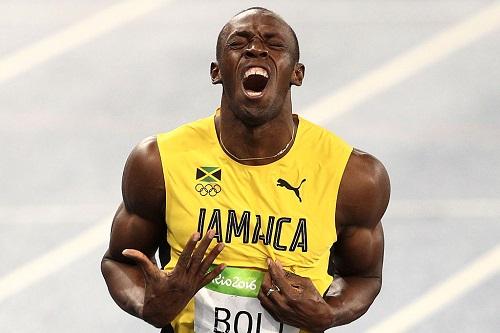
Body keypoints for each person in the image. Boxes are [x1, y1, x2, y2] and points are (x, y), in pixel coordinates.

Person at [101, 7, 390, 333]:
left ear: (297, 73)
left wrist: (329, 313)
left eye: (274, 44)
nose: (255, 48)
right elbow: (119, 261)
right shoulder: (158, 161)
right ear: (216, 71)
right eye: (238, 43)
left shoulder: (352, 176)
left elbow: (363, 276)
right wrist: (148, 304)